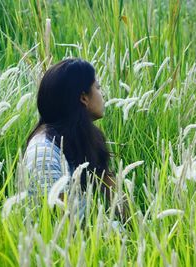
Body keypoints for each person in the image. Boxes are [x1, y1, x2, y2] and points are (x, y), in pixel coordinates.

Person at [23, 58, 125, 221]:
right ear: (84, 98)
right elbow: (63, 222)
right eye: (97, 87)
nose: (102, 94)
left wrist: (139, 232)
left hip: (86, 238)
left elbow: (116, 198)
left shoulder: (84, 138)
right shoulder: (44, 151)